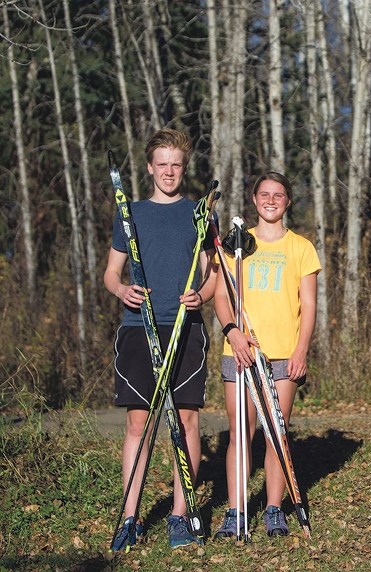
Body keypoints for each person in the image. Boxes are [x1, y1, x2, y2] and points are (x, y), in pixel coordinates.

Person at [104, 128, 217, 551]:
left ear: (183, 169)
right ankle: (130, 517)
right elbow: (111, 274)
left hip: (185, 330)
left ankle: (180, 515)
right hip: (139, 327)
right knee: (139, 423)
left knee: (186, 421)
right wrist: (122, 291)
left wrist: (201, 296)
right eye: (162, 164)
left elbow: (213, 274)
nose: (169, 172)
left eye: (177, 165)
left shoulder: (199, 212)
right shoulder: (129, 213)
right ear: (150, 167)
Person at [213, 172, 320, 538]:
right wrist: (233, 332)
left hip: (282, 357)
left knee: (277, 432)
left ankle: (274, 509)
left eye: (279, 195)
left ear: (288, 202)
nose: (271, 200)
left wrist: (301, 350)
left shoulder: (301, 248)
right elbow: (222, 296)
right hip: (240, 351)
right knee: (240, 431)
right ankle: (235, 510)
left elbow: (309, 305)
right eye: (264, 194)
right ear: (254, 199)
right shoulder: (237, 244)